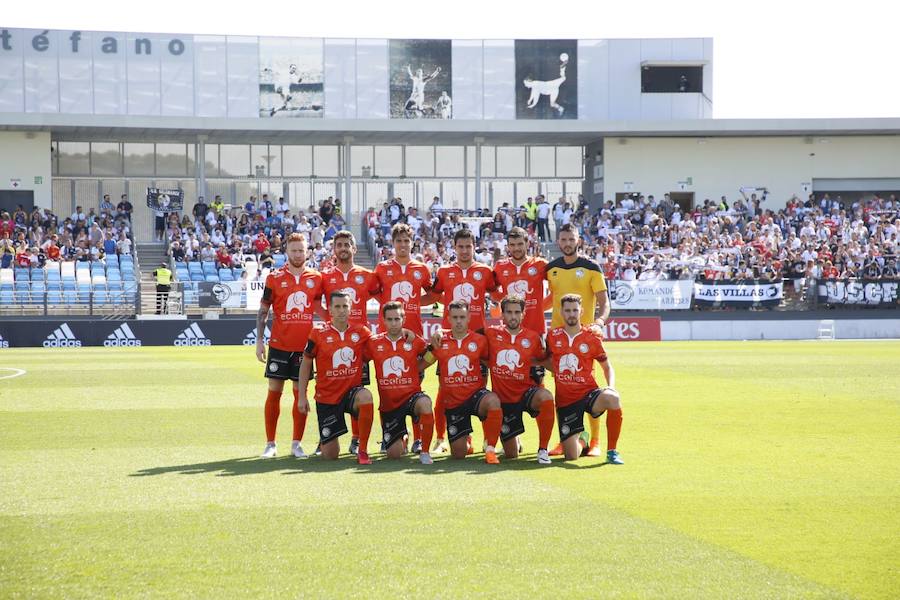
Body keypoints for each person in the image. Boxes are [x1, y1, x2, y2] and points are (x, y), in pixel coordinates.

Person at [255, 233, 324, 459]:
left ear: (307, 252)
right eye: (294, 250)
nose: (298, 254)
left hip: (305, 350)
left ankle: (296, 444)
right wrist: (258, 340)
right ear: (287, 251)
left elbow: (322, 309)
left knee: (300, 395)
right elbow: (264, 310)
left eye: (301, 250)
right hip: (279, 345)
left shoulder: (317, 278)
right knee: (274, 394)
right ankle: (270, 443)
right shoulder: (274, 278)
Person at [429, 228, 497, 452]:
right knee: (445, 389)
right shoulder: (444, 271)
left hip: (478, 338)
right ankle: (441, 439)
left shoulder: (485, 271)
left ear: (474, 247)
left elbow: (497, 295)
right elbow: (435, 295)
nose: (465, 250)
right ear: (454, 248)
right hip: (450, 340)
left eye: (469, 246)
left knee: (480, 388)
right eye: (461, 246)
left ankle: (488, 440)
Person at [545, 223, 610, 457]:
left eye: (571, 239)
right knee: (561, 388)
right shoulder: (551, 269)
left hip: (584, 338)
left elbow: (605, 302)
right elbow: (548, 301)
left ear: (578, 240)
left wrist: (600, 322)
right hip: (558, 339)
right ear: (558, 242)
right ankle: (566, 437)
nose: (567, 244)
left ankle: (594, 440)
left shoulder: (591, 268)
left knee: (588, 387)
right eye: (563, 240)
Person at [542, 294, 623, 463]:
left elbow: (607, 367)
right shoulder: (552, 336)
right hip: (566, 402)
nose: (571, 314)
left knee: (613, 398)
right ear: (561, 312)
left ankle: (612, 451)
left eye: (575, 310)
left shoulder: (592, 337)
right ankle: (583, 439)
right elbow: (548, 362)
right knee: (571, 456)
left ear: (581, 312)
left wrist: (611, 386)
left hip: (589, 394)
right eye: (568, 310)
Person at [320, 230, 381, 455]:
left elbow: (383, 299)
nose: (343, 248)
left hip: (358, 344)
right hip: (332, 344)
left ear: (354, 249)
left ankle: (356, 439)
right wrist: (328, 320)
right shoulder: (325, 276)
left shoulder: (367, 275)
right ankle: (327, 433)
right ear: (334, 250)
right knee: (330, 386)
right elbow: (316, 302)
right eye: (340, 245)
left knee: (360, 390)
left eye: (347, 244)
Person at [297, 291, 376, 464]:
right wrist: (302, 397)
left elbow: (382, 342)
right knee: (330, 455)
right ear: (330, 310)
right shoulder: (317, 333)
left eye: (345, 306)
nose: (341, 310)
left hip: (351, 394)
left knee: (366, 396)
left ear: (351, 309)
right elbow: (306, 363)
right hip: (327, 398)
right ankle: (326, 439)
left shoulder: (361, 331)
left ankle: (362, 450)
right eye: (337, 307)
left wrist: (407, 332)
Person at [422, 300, 503, 464]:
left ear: (468, 318)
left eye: (462, 317)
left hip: (475, 397)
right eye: (455, 317)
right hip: (454, 403)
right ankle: (465, 439)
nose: (458, 321)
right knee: (459, 454)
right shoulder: (440, 340)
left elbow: (491, 363)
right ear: (449, 318)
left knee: (493, 400)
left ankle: (490, 449)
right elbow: (423, 363)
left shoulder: (480, 340)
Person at [486, 295, 556, 464]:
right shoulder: (491, 333)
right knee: (511, 455)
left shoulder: (532, 338)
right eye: (509, 312)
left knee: (546, 396)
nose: (513, 316)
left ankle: (543, 449)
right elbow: (465, 335)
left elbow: (543, 359)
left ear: (523, 314)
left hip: (526, 394)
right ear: (502, 314)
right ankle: (512, 441)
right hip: (503, 400)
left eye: (517, 312)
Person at [364, 302, 435, 465]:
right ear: (383, 320)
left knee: (425, 403)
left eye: (397, 319)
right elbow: (361, 359)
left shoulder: (414, 340)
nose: (393, 323)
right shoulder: (374, 343)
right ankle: (403, 437)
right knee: (394, 455)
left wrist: (419, 367)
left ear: (403, 319)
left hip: (412, 397)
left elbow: (432, 353)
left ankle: (424, 451)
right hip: (389, 405)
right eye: (390, 319)